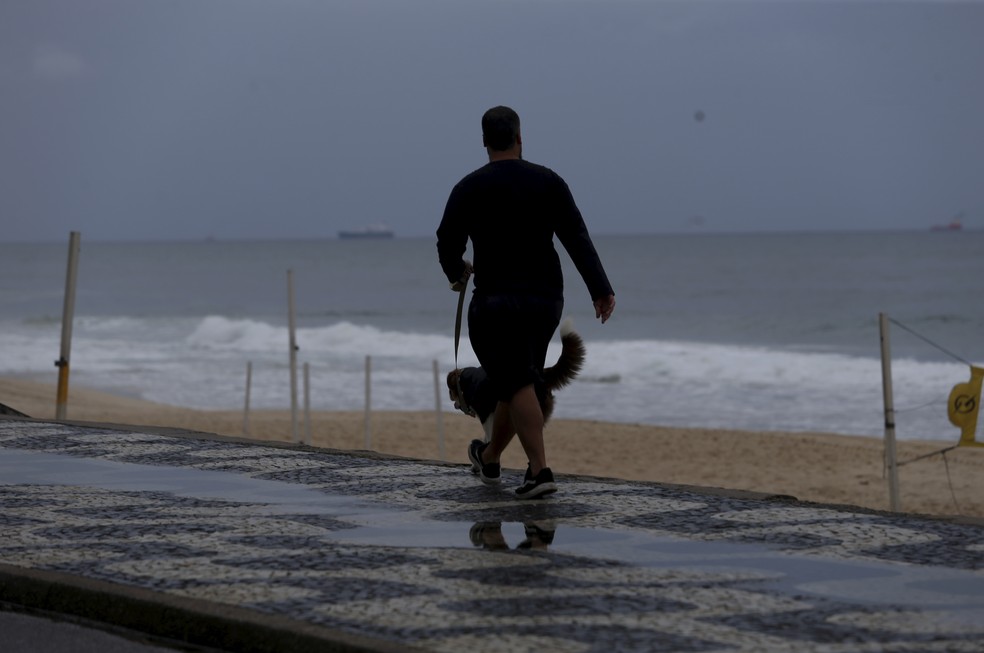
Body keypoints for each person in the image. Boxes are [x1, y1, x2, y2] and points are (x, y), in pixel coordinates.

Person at [437, 105, 616, 499]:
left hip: (497, 302)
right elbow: (576, 236)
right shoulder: (549, 181)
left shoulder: (469, 186)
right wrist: (600, 288)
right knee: (512, 379)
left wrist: (456, 271)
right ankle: (490, 456)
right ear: (520, 137)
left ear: (484, 141)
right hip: (545, 300)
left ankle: (540, 470)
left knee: (516, 380)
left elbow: (447, 240)